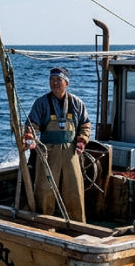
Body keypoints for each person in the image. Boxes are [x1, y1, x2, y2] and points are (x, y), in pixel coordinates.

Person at [23, 67, 91, 221]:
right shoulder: (41, 103)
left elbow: (85, 125)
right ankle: (43, 223)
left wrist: (81, 141)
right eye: (52, 80)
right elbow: (31, 125)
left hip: (71, 152)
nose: (54, 83)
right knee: (45, 189)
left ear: (66, 83)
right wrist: (29, 138)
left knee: (74, 190)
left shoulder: (76, 103)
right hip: (47, 152)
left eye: (58, 80)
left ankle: (77, 225)